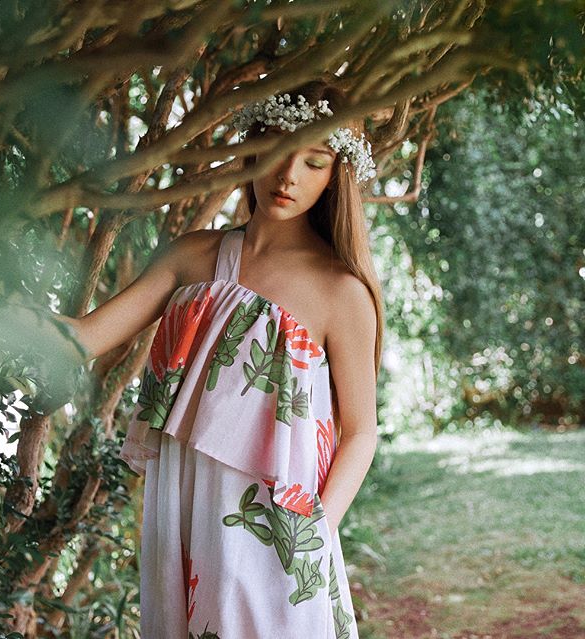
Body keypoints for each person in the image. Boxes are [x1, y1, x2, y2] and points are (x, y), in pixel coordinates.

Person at [63, 80, 383, 638]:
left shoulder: (340, 291)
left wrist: (314, 533)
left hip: (276, 520)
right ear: (254, 148)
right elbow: (87, 338)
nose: (289, 177)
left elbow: (361, 431)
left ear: (336, 176)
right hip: (183, 500)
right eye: (282, 153)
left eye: (315, 163)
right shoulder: (193, 255)